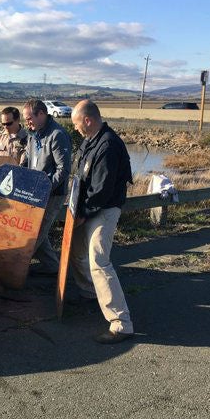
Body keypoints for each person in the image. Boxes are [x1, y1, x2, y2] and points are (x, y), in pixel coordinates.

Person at [68, 99, 134, 344]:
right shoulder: (90, 140)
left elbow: (102, 190)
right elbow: (80, 177)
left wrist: (82, 213)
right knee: (75, 251)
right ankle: (88, 293)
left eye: (76, 124)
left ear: (88, 120)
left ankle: (121, 323)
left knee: (98, 259)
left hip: (104, 209)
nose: (75, 129)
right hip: (87, 208)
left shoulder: (108, 145)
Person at [21, 99, 72, 275]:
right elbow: (27, 158)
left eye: (29, 119)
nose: (27, 123)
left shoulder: (57, 135)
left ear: (41, 114)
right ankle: (56, 271)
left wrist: (44, 188)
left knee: (34, 235)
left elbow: (63, 169)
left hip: (53, 194)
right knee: (37, 233)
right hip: (33, 193)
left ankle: (14, 271)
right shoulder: (33, 134)